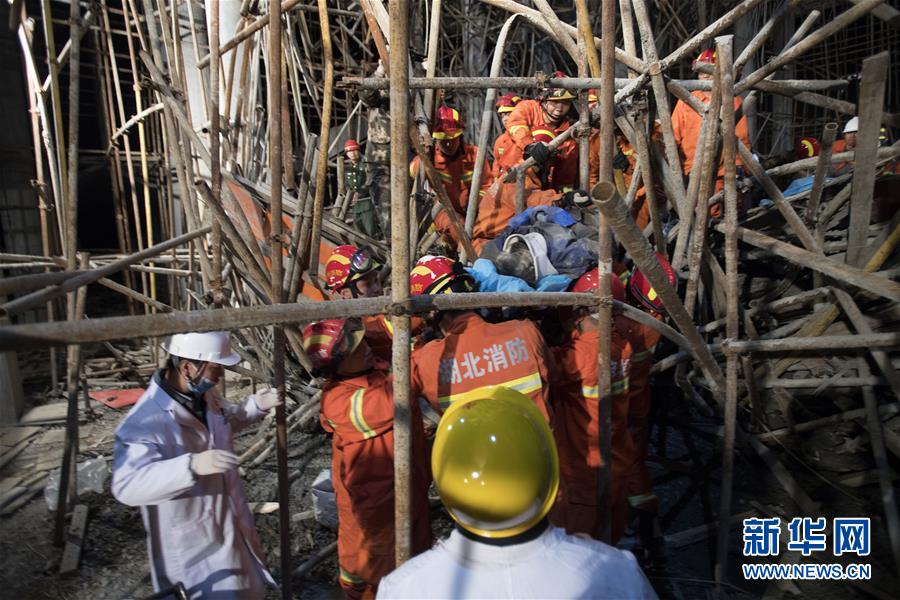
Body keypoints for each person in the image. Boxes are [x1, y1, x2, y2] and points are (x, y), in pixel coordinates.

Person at [377, 388, 657, 599]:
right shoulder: (616, 572)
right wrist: (589, 554)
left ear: (442, 480)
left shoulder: (405, 587)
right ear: (550, 474)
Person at [112, 332, 280, 598]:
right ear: (188, 367)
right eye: (216, 369)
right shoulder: (144, 422)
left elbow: (225, 421)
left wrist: (255, 406)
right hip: (192, 545)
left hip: (227, 521)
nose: (221, 376)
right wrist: (190, 466)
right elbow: (127, 485)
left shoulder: (203, 396)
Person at [302, 318, 432, 599]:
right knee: (377, 567)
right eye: (356, 348)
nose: (366, 348)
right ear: (336, 365)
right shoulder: (338, 401)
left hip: (409, 488)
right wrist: (425, 357)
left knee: (417, 554)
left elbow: (389, 326)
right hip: (375, 507)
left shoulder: (372, 368)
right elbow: (391, 400)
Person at [408, 255, 553, 421]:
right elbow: (554, 375)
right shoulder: (526, 333)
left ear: (431, 312)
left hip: (472, 447)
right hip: (538, 444)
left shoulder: (424, 362)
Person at [550, 268, 634, 542]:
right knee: (608, 545)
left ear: (581, 310)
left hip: (583, 473)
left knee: (576, 559)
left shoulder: (583, 353)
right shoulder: (624, 344)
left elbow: (542, 364)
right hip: (617, 465)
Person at [620, 254, 676, 564]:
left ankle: (642, 529)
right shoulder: (657, 321)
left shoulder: (629, 326)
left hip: (622, 404)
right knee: (635, 461)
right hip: (640, 403)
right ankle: (647, 531)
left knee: (625, 466)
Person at [671, 49, 751, 215]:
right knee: (696, 214)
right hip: (693, 171)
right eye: (701, 73)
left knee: (724, 214)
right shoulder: (687, 101)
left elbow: (742, 140)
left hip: (724, 172)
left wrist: (743, 168)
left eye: (709, 72)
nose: (705, 76)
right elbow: (673, 137)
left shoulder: (733, 101)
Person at [410, 106, 493, 249]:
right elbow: (412, 171)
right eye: (443, 139)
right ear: (435, 139)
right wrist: (423, 155)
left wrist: (477, 200)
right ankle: (471, 256)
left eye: (452, 138)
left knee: (492, 224)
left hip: (473, 210)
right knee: (458, 228)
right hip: (443, 211)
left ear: (460, 136)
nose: (448, 143)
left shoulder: (475, 155)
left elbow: (487, 185)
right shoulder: (430, 158)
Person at [505, 71, 579, 191]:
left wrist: (566, 196)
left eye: (565, 103)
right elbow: (515, 124)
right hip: (512, 178)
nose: (559, 109)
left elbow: (565, 175)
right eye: (554, 102)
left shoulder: (568, 134)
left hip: (540, 188)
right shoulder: (528, 108)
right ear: (543, 99)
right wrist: (529, 146)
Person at [324, 245, 394, 363]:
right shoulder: (348, 332)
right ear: (346, 293)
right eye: (368, 284)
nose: (377, 288)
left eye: (376, 280)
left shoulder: (378, 313)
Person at [358, 60, 392, 235]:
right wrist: (379, 72)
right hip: (379, 160)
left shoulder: (412, 84)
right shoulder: (378, 87)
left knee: (414, 206)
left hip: (408, 159)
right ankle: (393, 251)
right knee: (387, 214)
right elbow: (366, 95)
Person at [343, 139, 379, 238]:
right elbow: (346, 184)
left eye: (354, 151)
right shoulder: (347, 168)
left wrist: (360, 192)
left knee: (371, 232)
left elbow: (370, 181)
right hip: (355, 206)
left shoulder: (366, 165)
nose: (353, 154)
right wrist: (349, 193)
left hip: (367, 204)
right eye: (350, 152)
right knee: (359, 233)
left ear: (359, 151)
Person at [491, 92, 524, 182]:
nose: (505, 119)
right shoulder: (500, 141)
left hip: (526, 186)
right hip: (504, 187)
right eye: (503, 115)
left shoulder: (530, 137)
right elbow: (496, 169)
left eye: (509, 114)